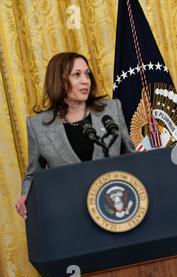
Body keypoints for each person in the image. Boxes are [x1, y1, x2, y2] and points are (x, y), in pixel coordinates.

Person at [15, 52, 135, 218]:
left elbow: (131, 155)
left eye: (87, 74)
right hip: (71, 213)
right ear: (59, 81)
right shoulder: (38, 126)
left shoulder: (111, 109)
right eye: (76, 75)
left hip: (114, 206)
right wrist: (24, 196)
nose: (85, 80)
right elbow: (33, 174)